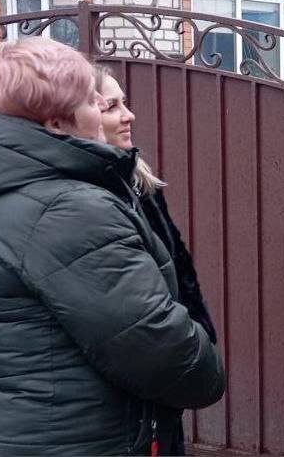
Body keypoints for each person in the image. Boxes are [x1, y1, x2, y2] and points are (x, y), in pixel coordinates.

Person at [0, 37, 225, 455]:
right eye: (91, 102)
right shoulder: (67, 210)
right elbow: (158, 348)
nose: (102, 112)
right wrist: (206, 366)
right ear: (56, 123)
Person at [93, 64, 219, 455]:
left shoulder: (135, 180)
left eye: (125, 103)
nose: (129, 115)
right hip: (124, 405)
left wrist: (196, 334)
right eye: (112, 106)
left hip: (156, 397)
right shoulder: (88, 198)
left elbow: (176, 269)